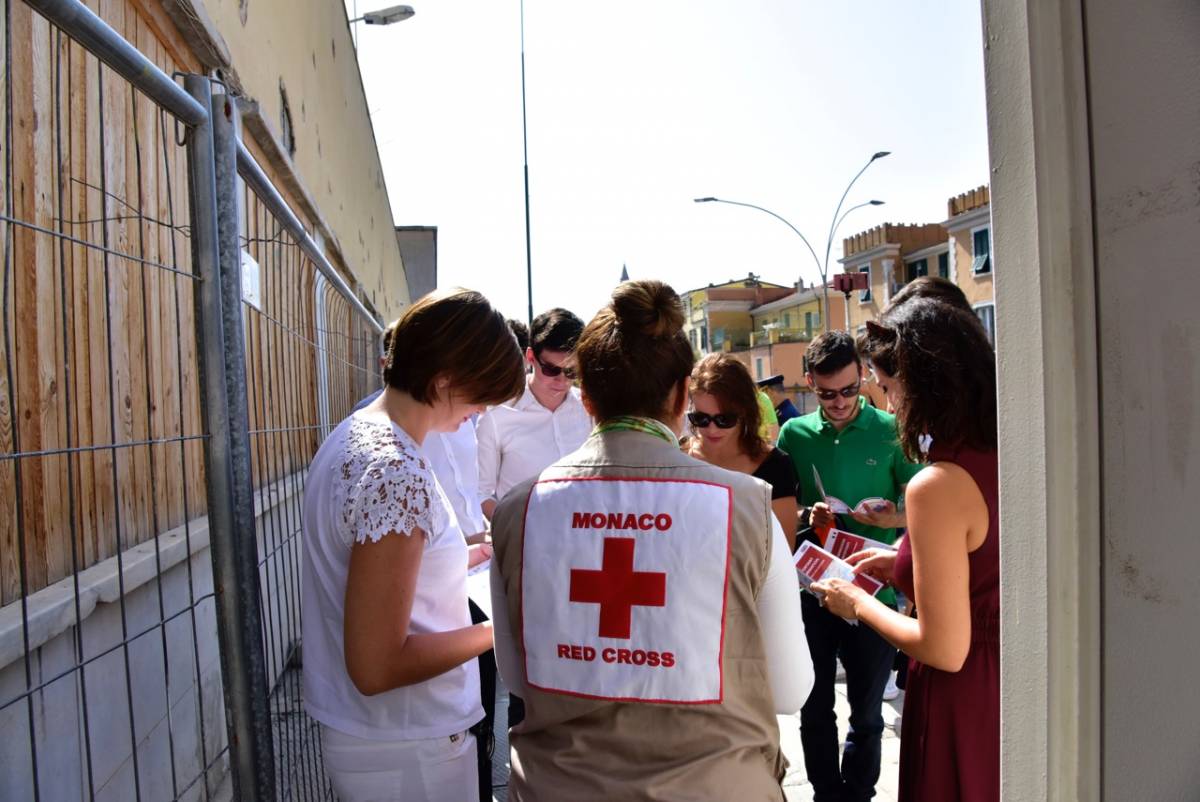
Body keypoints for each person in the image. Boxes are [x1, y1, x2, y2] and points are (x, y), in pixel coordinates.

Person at [488, 280, 814, 801]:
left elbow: (520, 679)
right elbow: (792, 690)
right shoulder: (748, 506)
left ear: (586, 397)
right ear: (684, 394)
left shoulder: (516, 512)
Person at [300, 288, 525, 802]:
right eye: (483, 394)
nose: (484, 411)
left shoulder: (361, 435)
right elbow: (377, 665)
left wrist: (464, 559)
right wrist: (504, 627)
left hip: (384, 741)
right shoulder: (394, 469)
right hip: (406, 742)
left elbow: (374, 570)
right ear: (444, 379)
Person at [813, 297, 999, 802]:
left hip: (961, 700)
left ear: (926, 385)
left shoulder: (935, 485)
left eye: (890, 389)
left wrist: (859, 605)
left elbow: (944, 647)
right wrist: (899, 564)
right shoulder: (1007, 450)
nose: (890, 406)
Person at [777, 330, 923, 802]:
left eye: (848, 390)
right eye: (825, 394)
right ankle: (826, 795)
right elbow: (785, 506)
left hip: (873, 594)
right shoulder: (793, 434)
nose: (838, 402)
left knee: (867, 714)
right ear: (808, 385)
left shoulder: (890, 429)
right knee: (814, 707)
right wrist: (806, 514)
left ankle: (858, 794)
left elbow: (923, 504)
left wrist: (893, 515)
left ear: (863, 377)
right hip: (813, 590)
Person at [477, 308, 592, 521]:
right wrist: (519, 529)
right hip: (524, 546)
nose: (561, 381)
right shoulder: (497, 415)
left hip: (582, 540)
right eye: (550, 369)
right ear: (530, 357)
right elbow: (482, 494)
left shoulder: (590, 409)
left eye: (571, 372)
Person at [685, 354, 800, 549]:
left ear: (745, 412)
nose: (712, 429)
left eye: (724, 420)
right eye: (700, 419)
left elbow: (784, 549)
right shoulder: (678, 457)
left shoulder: (774, 465)